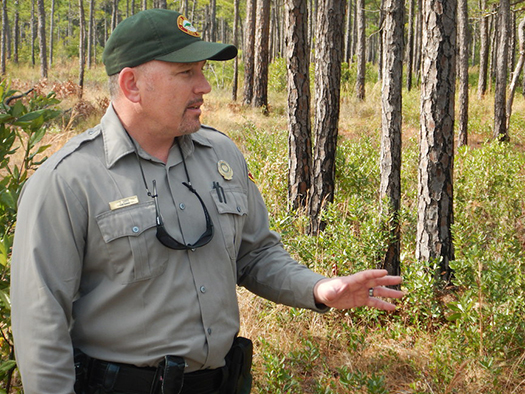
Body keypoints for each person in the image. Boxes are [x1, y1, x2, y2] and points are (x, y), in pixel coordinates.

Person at [10, 9, 404, 394]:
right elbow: (40, 323)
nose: (204, 87)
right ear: (131, 85)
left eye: (202, 71)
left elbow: (256, 255)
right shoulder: (68, 180)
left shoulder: (221, 155)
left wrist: (318, 288)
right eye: (186, 73)